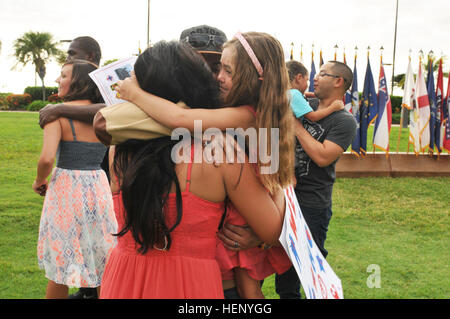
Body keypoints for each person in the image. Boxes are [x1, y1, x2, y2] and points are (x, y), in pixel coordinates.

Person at [105, 31, 296, 299]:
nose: (217, 78)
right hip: (194, 282)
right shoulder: (222, 150)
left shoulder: (118, 151)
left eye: (226, 70)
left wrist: (134, 94)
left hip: (126, 278)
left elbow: (179, 116)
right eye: (217, 69)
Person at [32, 59, 117, 299]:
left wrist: (39, 180)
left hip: (66, 189)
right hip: (98, 187)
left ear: (78, 81)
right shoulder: (105, 114)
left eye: (63, 75)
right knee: (103, 259)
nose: (58, 80)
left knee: (61, 262)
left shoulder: (55, 115)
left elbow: (47, 158)